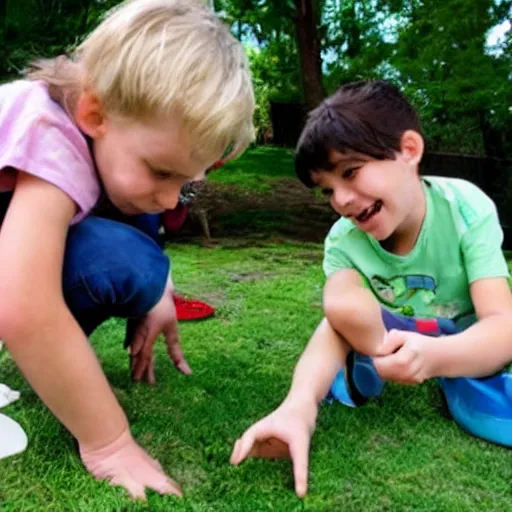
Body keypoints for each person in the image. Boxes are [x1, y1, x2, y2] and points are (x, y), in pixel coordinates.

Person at [0, 0, 254, 500]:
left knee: (131, 260)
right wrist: (110, 442)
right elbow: (21, 304)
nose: (168, 197)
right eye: (162, 172)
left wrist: (160, 288)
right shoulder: (47, 131)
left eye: (185, 182)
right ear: (95, 112)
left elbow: (133, 224)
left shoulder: (98, 132)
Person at [230, 80, 512, 497]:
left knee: (493, 415)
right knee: (345, 317)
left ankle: (446, 379)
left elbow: (503, 326)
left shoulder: (465, 208)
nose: (341, 199)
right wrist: (299, 406)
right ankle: (359, 368)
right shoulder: (344, 241)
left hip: (467, 338)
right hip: (388, 334)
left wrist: (435, 359)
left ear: (409, 151)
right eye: (328, 190)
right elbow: (338, 316)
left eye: (350, 172)